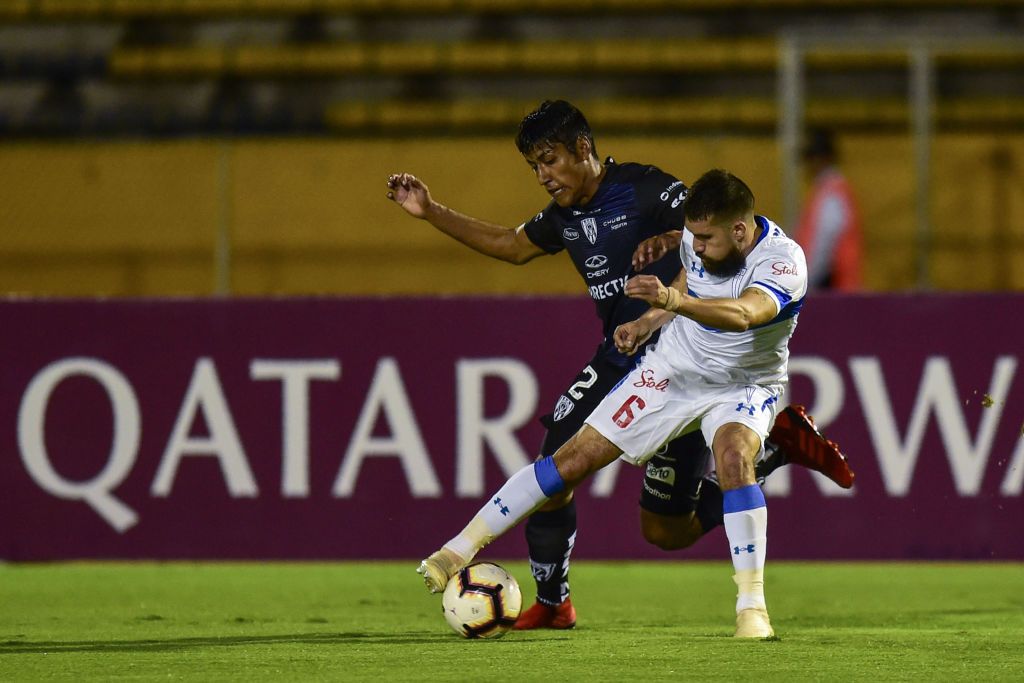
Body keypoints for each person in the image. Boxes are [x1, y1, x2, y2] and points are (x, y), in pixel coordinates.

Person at [388, 101, 852, 631]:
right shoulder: (578, 220)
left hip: (710, 369)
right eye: (534, 167)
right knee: (659, 528)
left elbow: (731, 292)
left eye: (549, 160)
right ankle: (495, 570)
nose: (543, 176)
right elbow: (513, 246)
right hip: (659, 358)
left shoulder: (661, 198)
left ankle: (745, 606)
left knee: (709, 461)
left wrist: (665, 295)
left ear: (583, 148)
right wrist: (432, 211)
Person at [793, 127, 864, 291]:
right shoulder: (826, 191)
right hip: (831, 286)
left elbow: (823, 244)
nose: (807, 165)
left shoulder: (831, 194)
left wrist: (804, 284)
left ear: (822, 159)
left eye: (810, 158)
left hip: (833, 288)